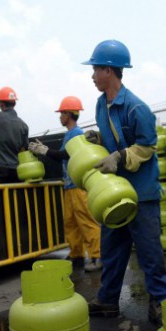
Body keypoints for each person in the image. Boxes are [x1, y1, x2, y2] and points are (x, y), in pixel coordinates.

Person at [81, 39, 166, 326]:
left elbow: (146, 147)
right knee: (112, 249)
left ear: (109, 70)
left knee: (149, 252)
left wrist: (118, 157)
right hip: (115, 192)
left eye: (96, 69)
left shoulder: (136, 107)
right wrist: (99, 139)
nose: (92, 75)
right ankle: (108, 300)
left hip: (141, 193)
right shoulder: (101, 105)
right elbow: (114, 139)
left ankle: (160, 302)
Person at [28, 96, 103, 272]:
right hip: (69, 186)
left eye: (61, 114)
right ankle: (76, 255)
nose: (60, 117)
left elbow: (66, 154)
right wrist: (47, 151)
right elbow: (62, 155)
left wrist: (45, 151)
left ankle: (96, 256)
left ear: (68, 114)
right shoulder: (69, 134)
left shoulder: (77, 134)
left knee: (86, 221)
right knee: (71, 222)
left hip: (78, 186)